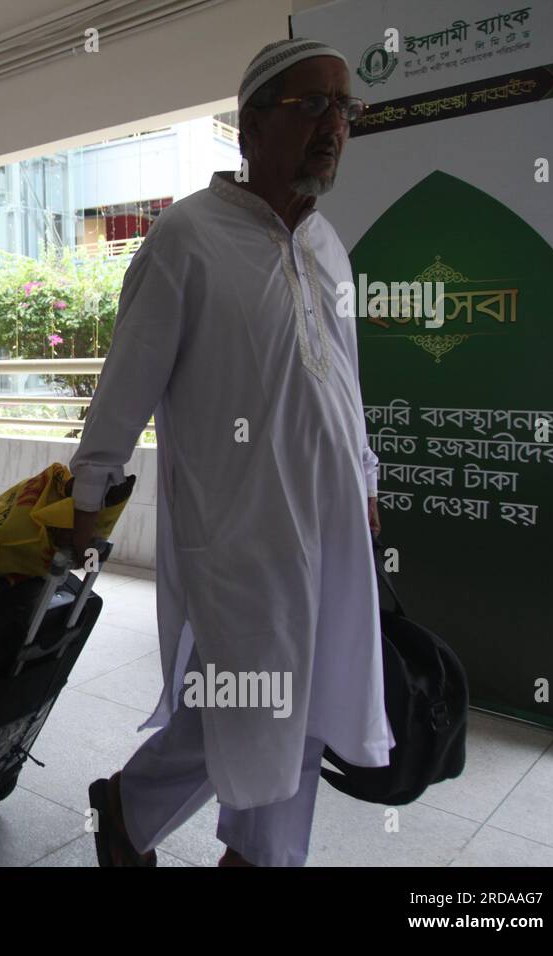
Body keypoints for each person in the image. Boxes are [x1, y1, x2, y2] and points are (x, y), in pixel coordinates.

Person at [69, 39, 388, 868]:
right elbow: (125, 383)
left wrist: (366, 476)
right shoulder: (188, 238)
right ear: (249, 128)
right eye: (313, 105)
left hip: (330, 529)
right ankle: (133, 809)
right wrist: (88, 498)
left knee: (302, 704)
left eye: (344, 109)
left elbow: (346, 383)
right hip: (239, 535)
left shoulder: (328, 247)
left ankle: (255, 855)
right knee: (246, 708)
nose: (335, 126)